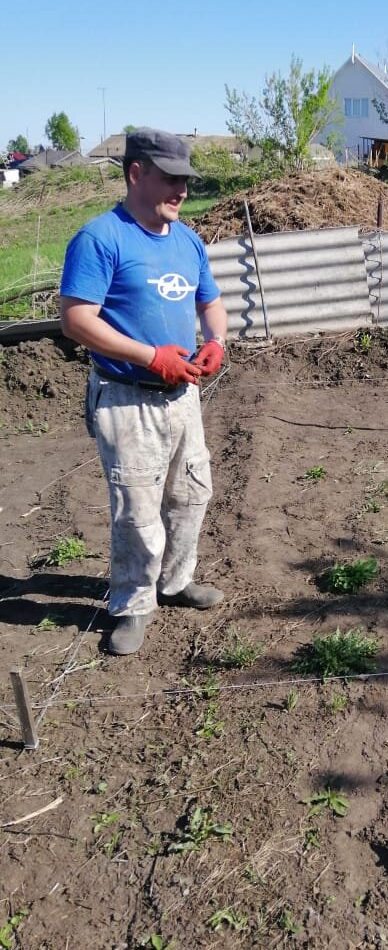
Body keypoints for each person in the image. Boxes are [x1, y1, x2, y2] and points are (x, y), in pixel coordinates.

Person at [60, 128, 228, 656]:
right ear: (137, 173)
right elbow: (75, 320)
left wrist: (216, 340)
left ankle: (175, 583)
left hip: (183, 396)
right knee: (136, 508)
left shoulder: (188, 240)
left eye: (186, 180)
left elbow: (210, 301)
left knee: (190, 493)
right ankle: (132, 604)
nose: (182, 190)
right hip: (126, 396)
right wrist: (150, 355)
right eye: (171, 179)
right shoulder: (101, 238)